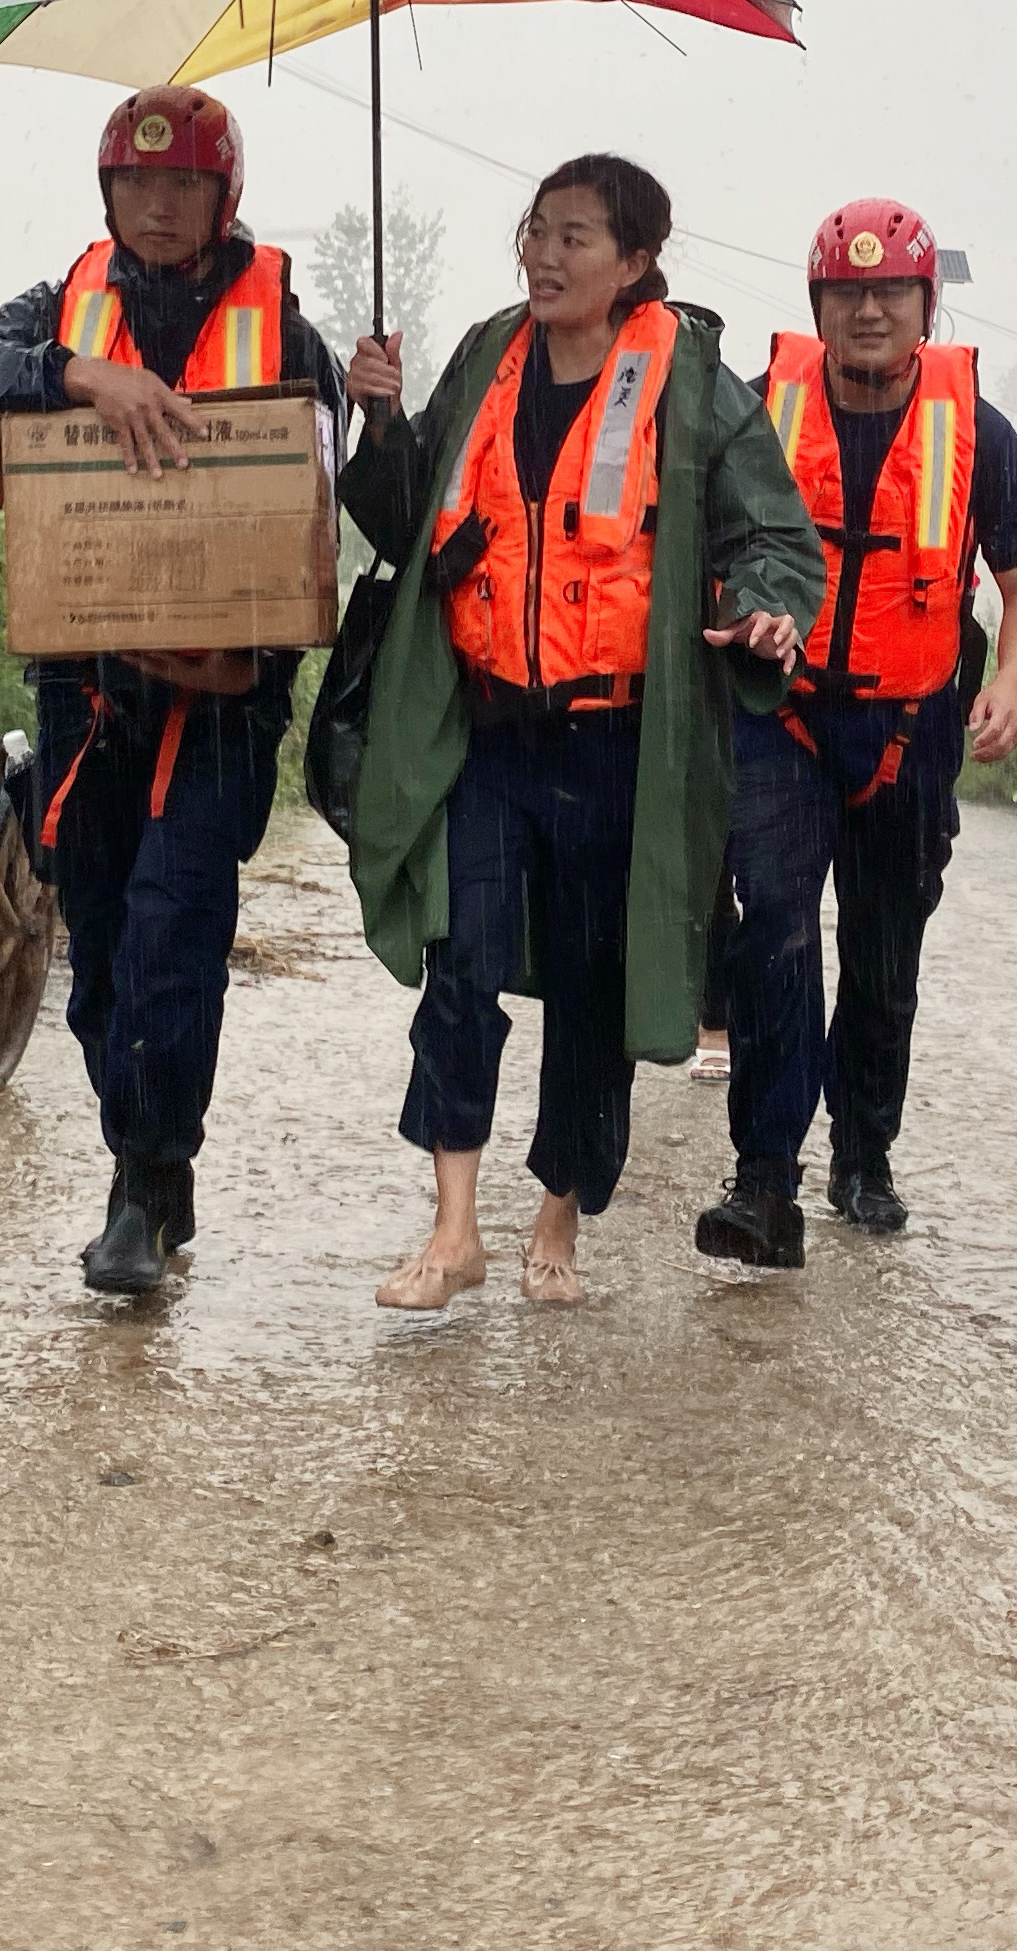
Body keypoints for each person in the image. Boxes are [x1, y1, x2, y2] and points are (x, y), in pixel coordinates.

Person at [334, 155, 823, 1309]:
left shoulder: (692, 382)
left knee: (595, 990)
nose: (545, 257)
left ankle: (557, 1212)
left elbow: (772, 537)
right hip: (492, 733)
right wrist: (386, 419)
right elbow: (407, 523)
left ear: (638, 262)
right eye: (536, 232)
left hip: (619, 747)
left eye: (576, 238)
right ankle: (455, 1228)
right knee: (463, 964)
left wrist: (764, 613)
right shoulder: (489, 356)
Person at [0, 85, 343, 1296]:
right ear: (108, 195)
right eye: (137, 185)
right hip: (86, 687)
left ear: (226, 200)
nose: (160, 206)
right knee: (102, 940)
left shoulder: (290, 330)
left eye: (185, 186)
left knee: (174, 926)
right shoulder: (58, 306)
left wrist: (372, 411)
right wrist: (79, 376)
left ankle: (141, 1189)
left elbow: (323, 513)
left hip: (224, 699)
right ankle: (153, 1162)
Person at [692, 199, 1017, 1268]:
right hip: (783, 717)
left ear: (926, 306)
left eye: (890, 291)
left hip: (910, 732)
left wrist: (1014, 687)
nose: (867, 310)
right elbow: (704, 551)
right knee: (778, 938)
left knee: (885, 955)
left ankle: (865, 1157)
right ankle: (764, 1180)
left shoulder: (979, 434)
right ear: (816, 303)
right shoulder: (760, 415)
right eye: (845, 292)